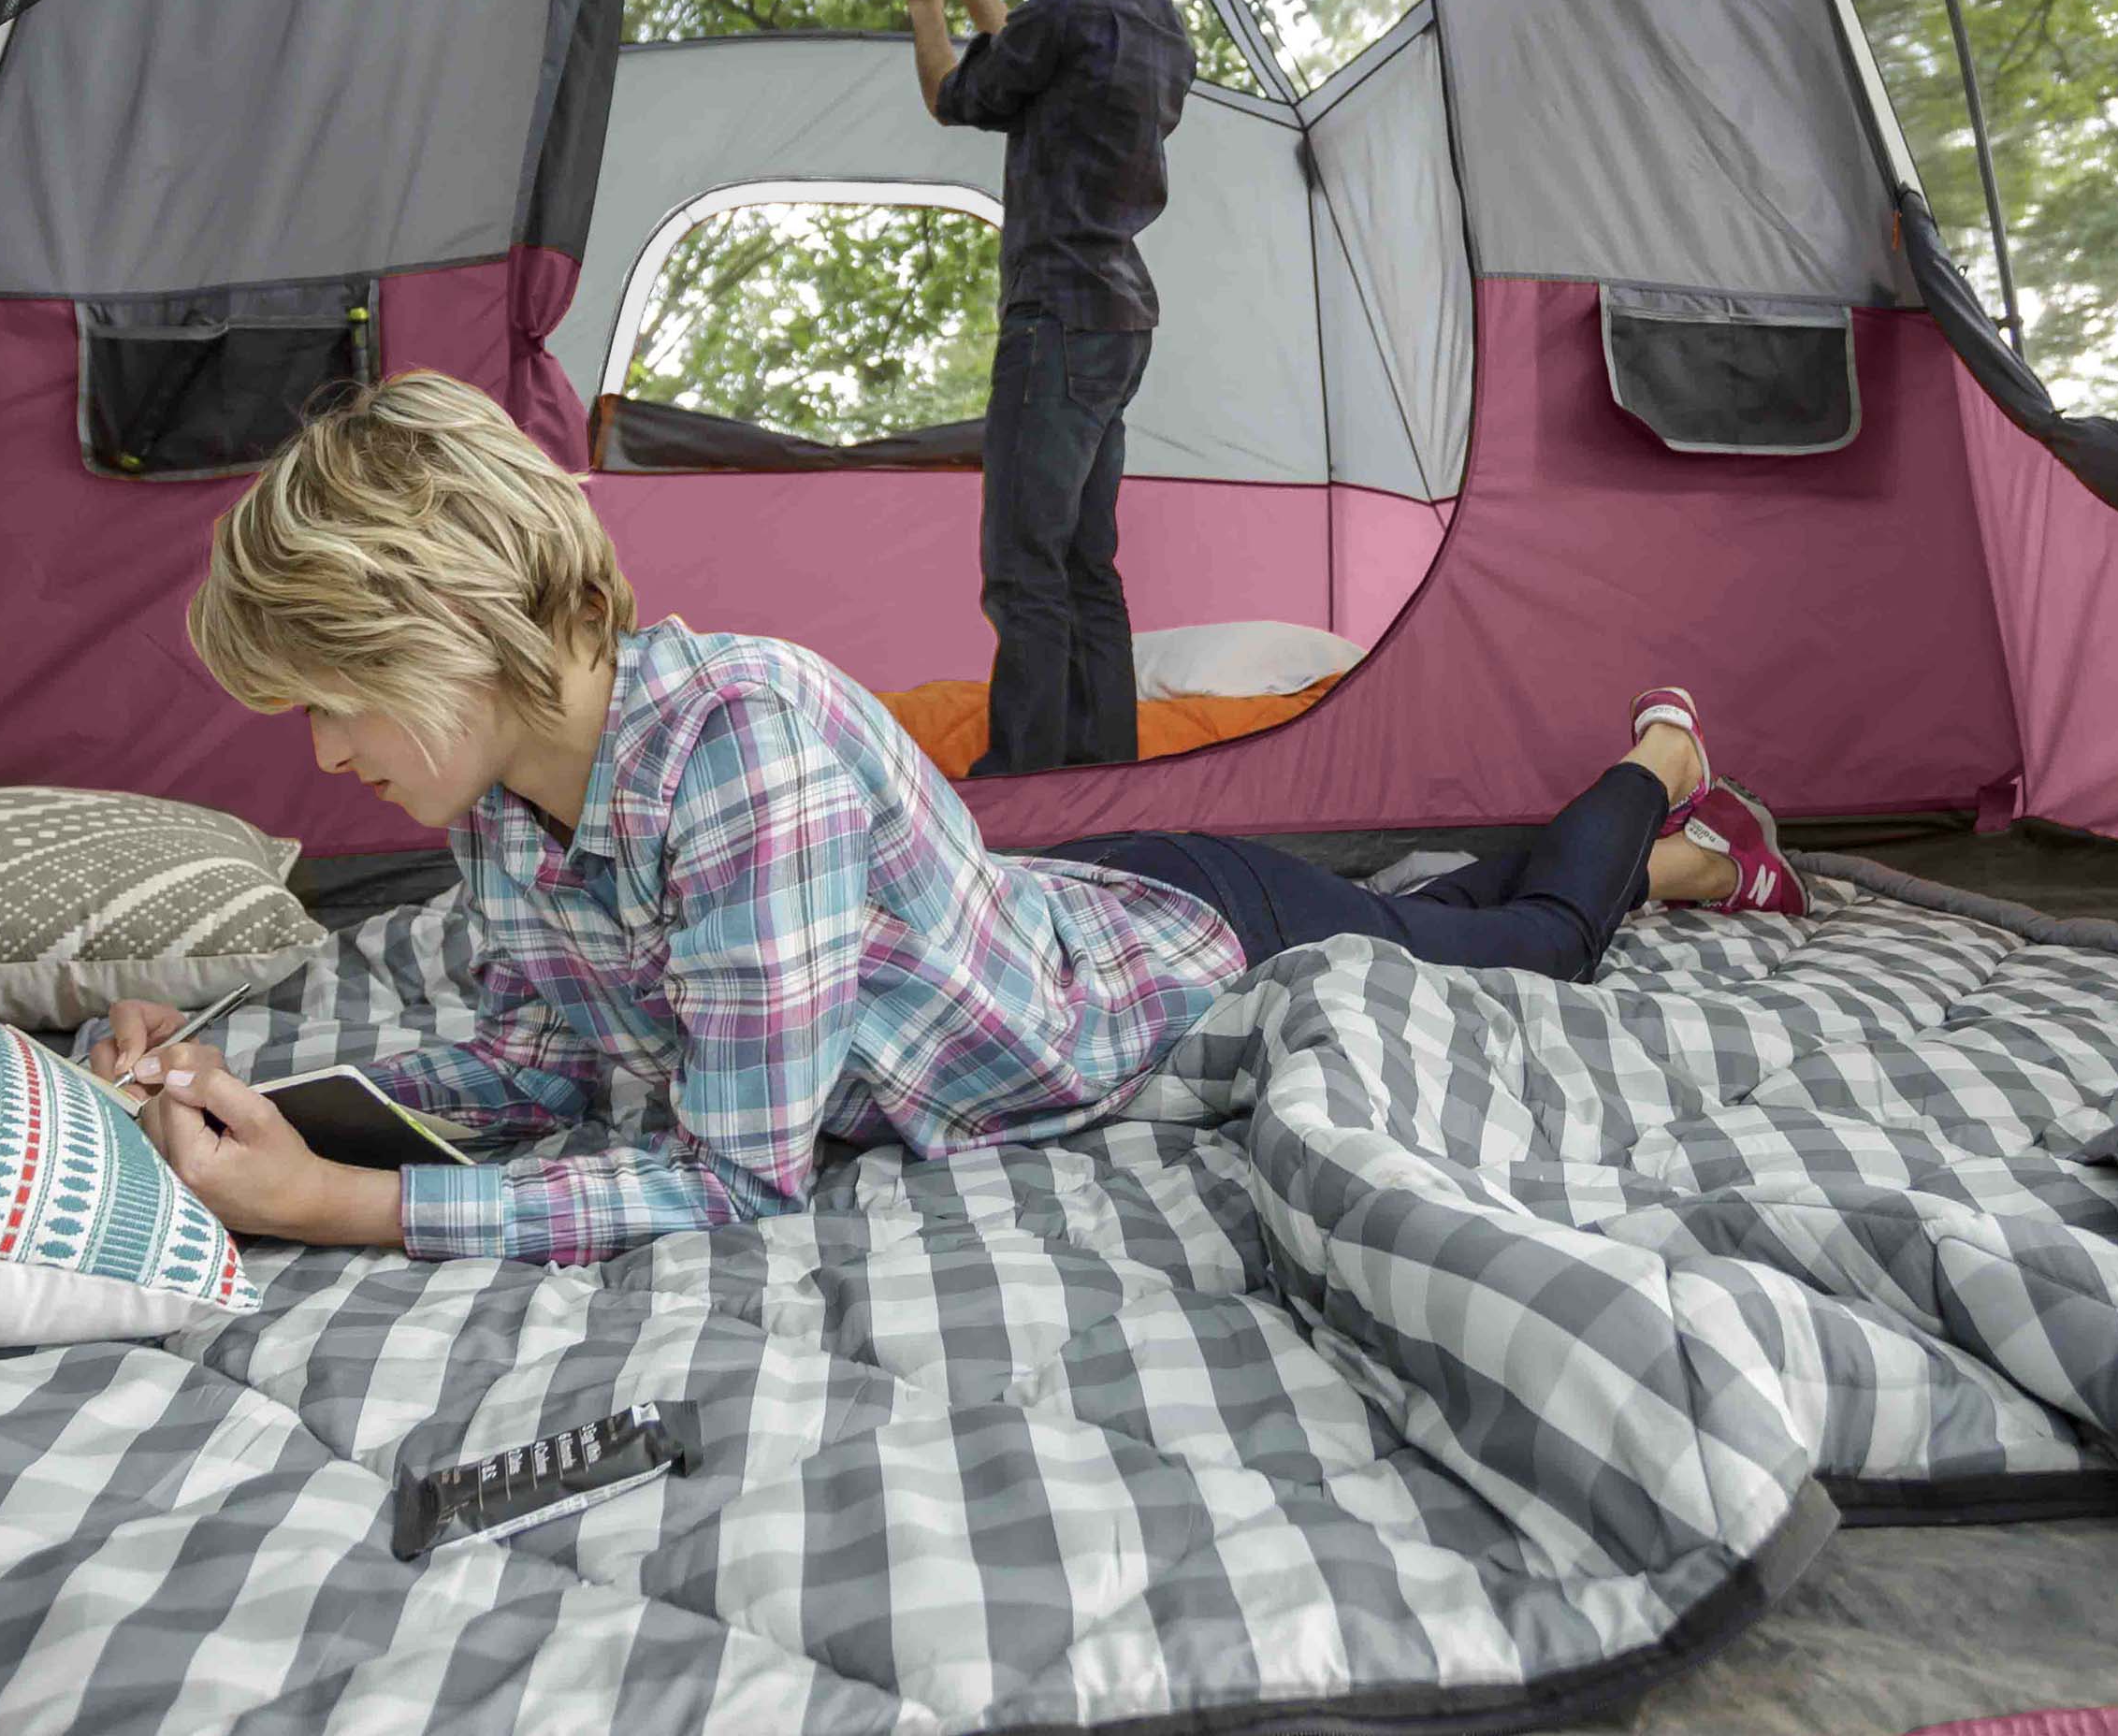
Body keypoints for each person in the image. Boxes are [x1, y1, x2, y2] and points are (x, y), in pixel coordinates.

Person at [94, 375, 1808, 1266]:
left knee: (1529, 948)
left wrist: (349, 1210)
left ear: (459, 631)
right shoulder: (500, 809)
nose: (320, 756)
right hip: (1077, 901)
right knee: (1443, 896)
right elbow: (549, 1064)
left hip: (1194, 951)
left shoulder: (742, 753)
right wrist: (289, 1110)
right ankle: (1667, 863)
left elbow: (733, 1171)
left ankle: (1655, 782)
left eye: (336, 693)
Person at [898, 0, 1191, 775]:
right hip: (1120, 322)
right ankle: (1105, 780)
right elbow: (1033, 53)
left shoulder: (1070, 9)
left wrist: (927, 5)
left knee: (1025, 568)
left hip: (1055, 321)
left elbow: (958, 92)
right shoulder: (1162, 32)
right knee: (1085, 568)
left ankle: (1023, 784)